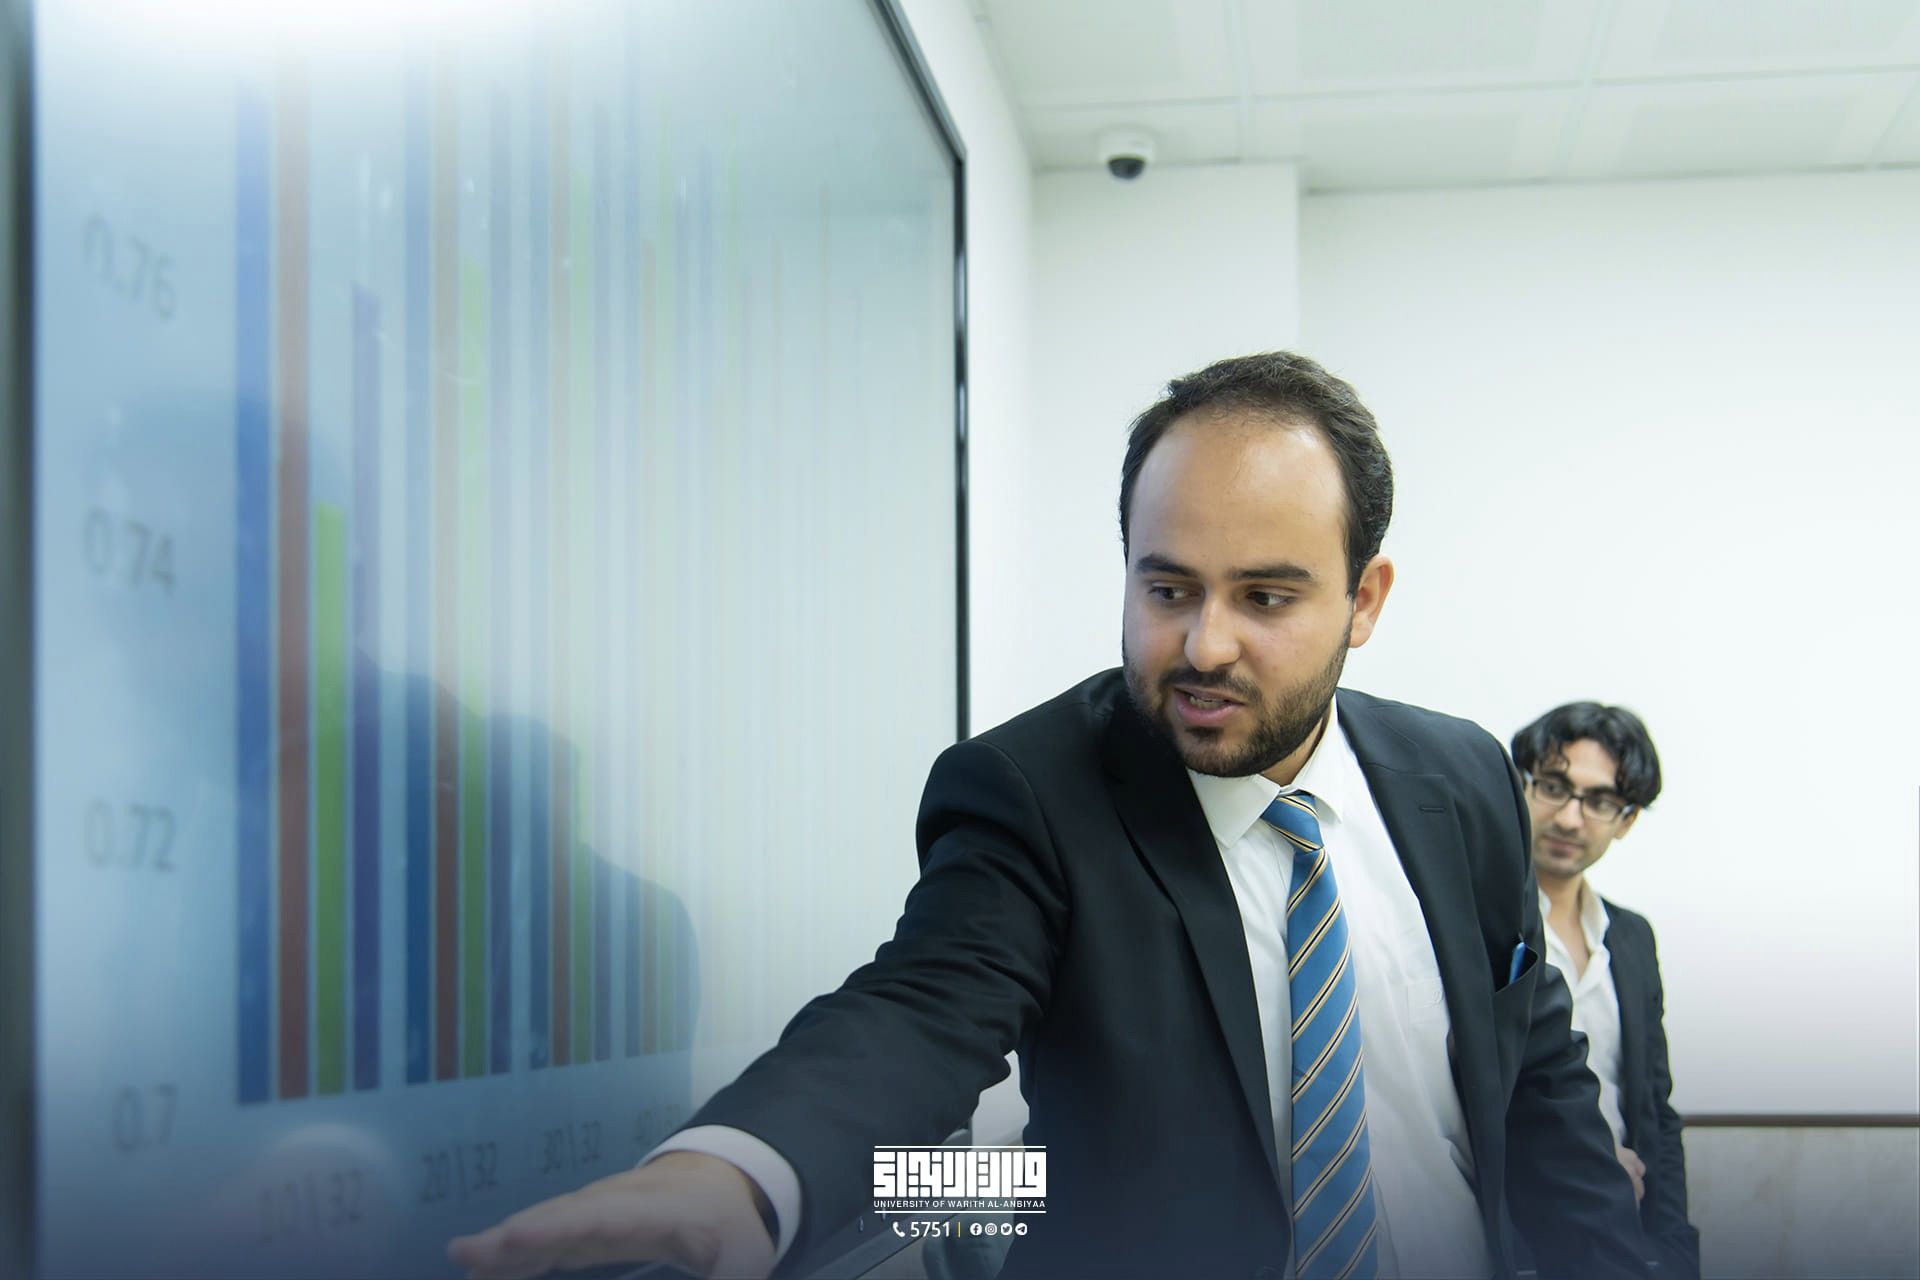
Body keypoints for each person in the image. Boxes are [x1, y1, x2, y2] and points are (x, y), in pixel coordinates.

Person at [450, 353, 1650, 1280]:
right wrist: (737, 1174)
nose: (1204, 644)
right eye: (1166, 586)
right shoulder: (1036, 790)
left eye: (1265, 596)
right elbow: (920, 1010)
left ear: (1365, 598)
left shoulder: (1460, 777)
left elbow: (1536, 1081)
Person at [1511, 704, 1701, 1278]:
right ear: (1520, 785)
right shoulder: (1477, 924)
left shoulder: (1631, 937)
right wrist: (1587, 1159)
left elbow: (1654, 1106)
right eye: (1553, 787)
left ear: (1626, 820)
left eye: (1599, 801)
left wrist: (1675, 1246)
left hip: (1629, 1232)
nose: (1570, 818)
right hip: (1522, 1235)